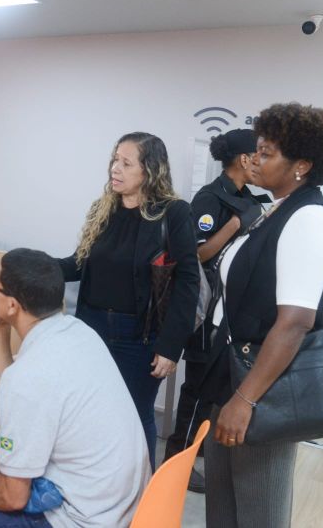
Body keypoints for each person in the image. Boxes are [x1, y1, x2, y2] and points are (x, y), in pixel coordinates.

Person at [0, 248, 151, 528]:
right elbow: (6, 391)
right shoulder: (81, 333)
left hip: (83, 521)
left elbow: (13, 498)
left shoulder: (28, 377)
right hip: (127, 508)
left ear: (12, 305)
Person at [200, 103, 323, 528]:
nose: (255, 160)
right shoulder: (274, 209)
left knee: (258, 511)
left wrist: (245, 400)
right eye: (256, 150)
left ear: (302, 165)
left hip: (263, 387)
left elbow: (295, 322)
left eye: (266, 153)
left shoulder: (310, 218)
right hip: (232, 371)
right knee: (222, 510)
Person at [57, 132, 199, 470]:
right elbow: (78, 264)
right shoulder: (103, 209)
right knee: (90, 412)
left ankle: (141, 493)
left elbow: (188, 282)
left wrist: (170, 346)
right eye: (114, 160)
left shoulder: (173, 213)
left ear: (149, 170)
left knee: (134, 415)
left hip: (139, 338)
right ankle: (99, 483)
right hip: (91, 330)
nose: (115, 169)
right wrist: (32, 266)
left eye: (125, 163)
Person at [163, 128, 265, 493]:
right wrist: (236, 225)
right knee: (197, 390)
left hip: (232, 313)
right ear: (244, 159)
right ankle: (177, 462)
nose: (262, 162)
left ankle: (200, 451)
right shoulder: (209, 198)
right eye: (259, 155)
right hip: (205, 311)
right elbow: (197, 253)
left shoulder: (250, 198)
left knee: (218, 388)